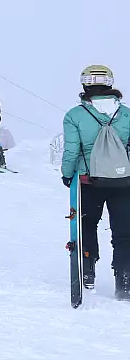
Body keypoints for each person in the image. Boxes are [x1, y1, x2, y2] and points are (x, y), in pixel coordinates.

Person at [61, 65, 130, 298]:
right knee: (123, 231)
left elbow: (72, 150)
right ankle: (124, 278)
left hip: (89, 180)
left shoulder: (75, 115)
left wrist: (67, 173)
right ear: (111, 84)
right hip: (123, 181)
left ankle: (88, 268)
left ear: (84, 85)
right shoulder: (127, 114)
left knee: (87, 225)